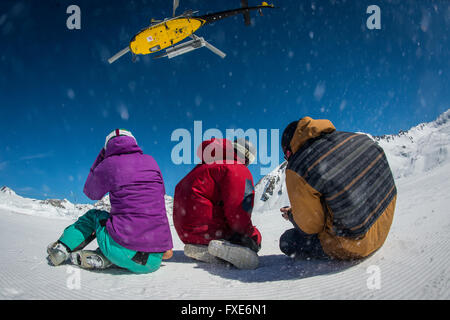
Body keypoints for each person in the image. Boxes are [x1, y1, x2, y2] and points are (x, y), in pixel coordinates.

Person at [47, 129, 173, 274]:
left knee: (95, 215)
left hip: (122, 250)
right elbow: (158, 198)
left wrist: (101, 159)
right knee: (146, 211)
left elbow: (90, 192)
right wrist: (165, 246)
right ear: (134, 143)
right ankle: (106, 258)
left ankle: (61, 249)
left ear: (107, 147)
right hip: (153, 261)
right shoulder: (151, 161)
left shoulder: (109, 164)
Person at [279, 116, 397, 260]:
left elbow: (311, 227)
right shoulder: (358, 138)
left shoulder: (298, 167)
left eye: (286, 156)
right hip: (385, 223)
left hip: (357, 242)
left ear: (289, 150)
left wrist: (292, 215)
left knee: (287, 240)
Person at [173, 138, 262, 269]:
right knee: (251, 243)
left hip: (187, 233)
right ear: (246, 156)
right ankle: (227, 247)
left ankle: (203, 247)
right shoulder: (236, 168)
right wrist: (253, 235)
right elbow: (239, 210)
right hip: (211, 231)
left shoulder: (203, 167)